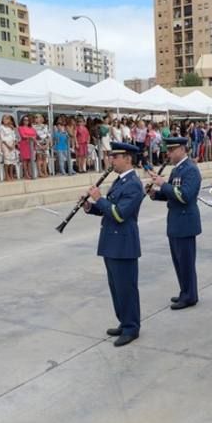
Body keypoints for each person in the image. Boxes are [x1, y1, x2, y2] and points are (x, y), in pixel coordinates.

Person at [83, 142, 146, 347]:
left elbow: (119, 214)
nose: (112, 160)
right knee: (116, 287)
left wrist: (99, 198)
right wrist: (89, 206)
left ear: (128, 158)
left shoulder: (134, 184)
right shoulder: (119, 182)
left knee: (126, 287)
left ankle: (131, 327)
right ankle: (123, 321)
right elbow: (107, 210)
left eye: (115, 156)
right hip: (112, 242)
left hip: (124, 243)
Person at [148, 137, 202, 310]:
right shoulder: (177, 170)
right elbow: (171, 193)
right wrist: (155, 193)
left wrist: (163, 184)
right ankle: (184, 291)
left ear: (181, 149)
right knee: (178, 261)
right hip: (175, 221)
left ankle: (190, 295)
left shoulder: (191, 170)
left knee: (186, 262)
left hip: (185, 222)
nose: (168, 154)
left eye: (171, 150)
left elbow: (184, 196)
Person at [0, 115, 18, 181]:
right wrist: (8, 146)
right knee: (7, 161)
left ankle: (11, 174)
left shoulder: (11, 127)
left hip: (12, 145)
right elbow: (2, 138)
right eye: (5, 119)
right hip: (5, 145)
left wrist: (13, 145)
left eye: (8, 119)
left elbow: (14, 137)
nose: (6, 120)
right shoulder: (1, 127)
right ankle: (6, 175)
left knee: (12, 161)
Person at [18, 115, 37, 179]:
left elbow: (35, 135)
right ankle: (26, 174)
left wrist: (31, 137)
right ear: (22, 121)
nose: (26, 121)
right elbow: (23, 136)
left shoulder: (32, 128)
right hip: (24, 144)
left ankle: (30, 173)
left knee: (30, 160)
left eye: (27, 120)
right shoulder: (20, 127)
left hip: (31, 145)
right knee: (25, 160)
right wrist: (30, 137)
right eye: (25, 120)